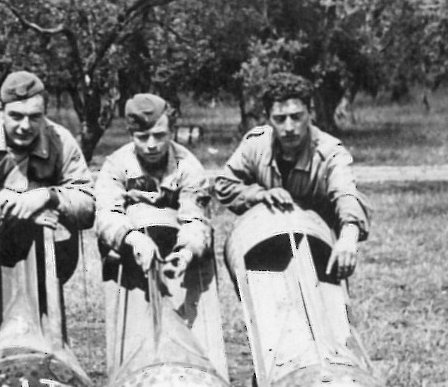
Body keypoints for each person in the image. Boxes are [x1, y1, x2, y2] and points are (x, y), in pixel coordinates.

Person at [0, 70, 95, 385]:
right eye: (16, 116)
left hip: (39, 257)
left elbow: (88, 204)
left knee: (43, 331)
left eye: (34, 117)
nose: (25, 126)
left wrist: (48, 196)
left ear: (45, 114)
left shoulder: (60, 140)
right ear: (0, 110)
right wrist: (14, 206)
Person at [213, 73, 369, 279]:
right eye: (279, 119)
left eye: (296, 116)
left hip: (318, 246)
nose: (289, 127)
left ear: (310, 113)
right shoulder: (255, 145)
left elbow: (346, 194)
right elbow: (225, 185)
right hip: (266, 243)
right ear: (268, 117)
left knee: (329, 308)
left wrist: (348, 236)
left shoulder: (329, 152)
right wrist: (259, 195)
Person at [95, 93, 211, 279]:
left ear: (172, 132)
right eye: (143, 137)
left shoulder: (188, 166)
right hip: (130, 251)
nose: (151, 145)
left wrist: (186, 253)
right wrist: (133, 238)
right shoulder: (116, 165)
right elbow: (106, 214)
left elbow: (195, 218)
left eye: (159, 136)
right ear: (131, 134)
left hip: (178, 252)